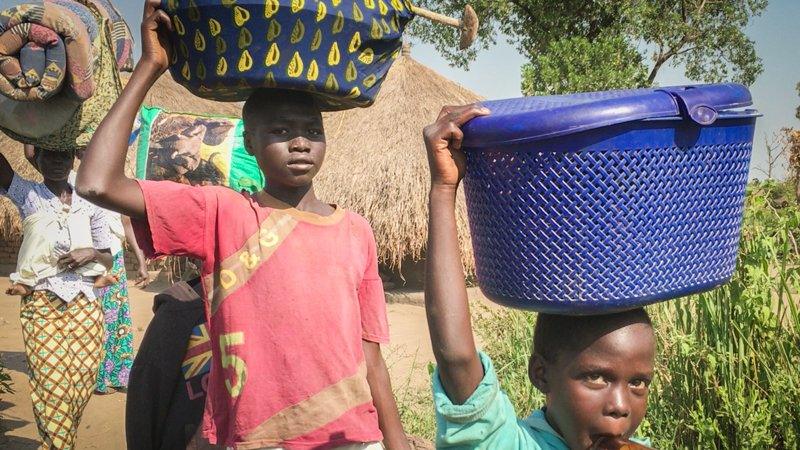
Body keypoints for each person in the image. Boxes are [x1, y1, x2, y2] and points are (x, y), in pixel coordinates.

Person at [76, 1, 410, 448]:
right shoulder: (221, 213)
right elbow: (98, 183)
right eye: (279, 131)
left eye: (312, 130)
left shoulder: (356, 231)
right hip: (257, 437)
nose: (299, 144)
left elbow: (371, 356)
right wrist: (149, 67)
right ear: (249, 142)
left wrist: (397, 439)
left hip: (350, 435)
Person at [421, 104, 656, 449]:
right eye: (595, 377)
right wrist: (443, 189)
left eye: (638, 383)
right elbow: (456, 358)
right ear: (541, 374)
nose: (620, 407)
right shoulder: (509, 443)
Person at [0, 147, 113, 450]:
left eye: (63, 156)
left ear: (73, 159)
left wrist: (91, 252)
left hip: (85, 302)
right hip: (41, 302)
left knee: (83, 380)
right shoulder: (29, 195)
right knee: (52, 383)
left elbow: (108, 259)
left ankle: (57, 443)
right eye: (48, 155)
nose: (57, 162)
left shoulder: (91, 201)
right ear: (35, 158)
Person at [21, 143, 150, 394]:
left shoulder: (117, 184)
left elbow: (126, 223)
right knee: (95, 317)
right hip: (84, 263)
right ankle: (96, 377)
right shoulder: (71, 182)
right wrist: (31, 132)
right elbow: (32, 157)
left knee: (118, 317)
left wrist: (142, 261)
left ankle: (119, 373)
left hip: (111, 256)